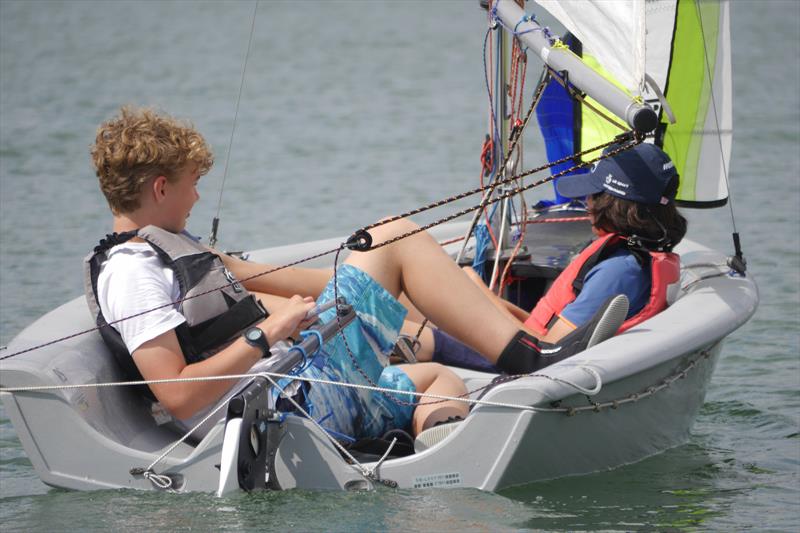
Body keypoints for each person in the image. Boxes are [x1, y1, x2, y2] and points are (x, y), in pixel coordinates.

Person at [85, 106, 580, 443]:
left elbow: (306, 290)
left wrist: (297, 306)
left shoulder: (172, 251)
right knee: (393, 235)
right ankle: (532, 357)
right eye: (192, 185)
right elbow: (176, 394)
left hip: (303, 388)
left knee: (436, 378)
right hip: (282, 407)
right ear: (160, 187)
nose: (196, 198)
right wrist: (265, 334)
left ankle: (433, 451)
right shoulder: (133, 272)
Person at [410, 142, 687, 374]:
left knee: (403, 242)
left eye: (594, 194)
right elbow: (537, 327)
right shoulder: (631, 259)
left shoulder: (618, 272)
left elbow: (543, 350)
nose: (587, 202)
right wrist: (481, 294)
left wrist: (477, 294)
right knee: (402, 297)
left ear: (613, 203)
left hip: (506, 363)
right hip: (512, 347)